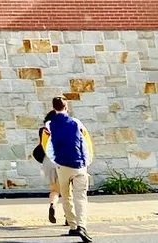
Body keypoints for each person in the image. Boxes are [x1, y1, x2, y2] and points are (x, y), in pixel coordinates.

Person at [47, 96, 95, 242]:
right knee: (80, 196)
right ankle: (82, 226)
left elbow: (49, 147)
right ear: (66, 107)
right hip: (79, 164)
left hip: (62, 165)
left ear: (54, 108)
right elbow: (84, 142)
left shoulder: (50, 125)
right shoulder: (76, 122)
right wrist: (86, 161)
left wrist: (55, 161)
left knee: (66, 195)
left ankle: (73, 226)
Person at [38, 111, 60, 224]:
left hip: (48, 161)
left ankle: (52, 204)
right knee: (68, 191)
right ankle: (68, 217)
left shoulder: (43, 130)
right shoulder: (64, 127)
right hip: (61, 160)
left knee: (54, 190)